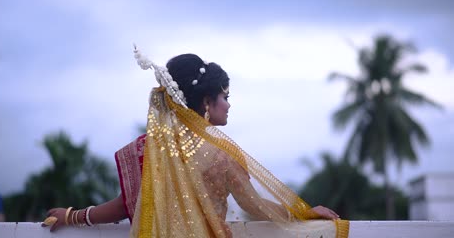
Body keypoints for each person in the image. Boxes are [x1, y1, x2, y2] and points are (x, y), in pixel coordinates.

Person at [42, 49, 348, 238]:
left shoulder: (149, 148)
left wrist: (72, 216)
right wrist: (304, 212)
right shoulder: (222, 155)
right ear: (206, 101)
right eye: (225, 97)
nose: (228, 105)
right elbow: (254, 206)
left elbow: (125, 205)